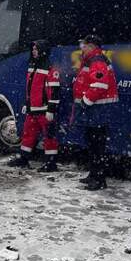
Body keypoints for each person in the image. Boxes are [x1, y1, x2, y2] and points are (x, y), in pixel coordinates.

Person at [72, 34, 119, 190]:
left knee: (97, 146)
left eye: (83, 45)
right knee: (93, 144)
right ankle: (94, 174)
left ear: (91, 46)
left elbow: (99, 85)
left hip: (98, 111)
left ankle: (99, 180)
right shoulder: (93, 59)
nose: (82, 48)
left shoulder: (97, 61)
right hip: (95, 111)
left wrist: (85, 102)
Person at [7, 39, 62, 171]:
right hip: (33, 109)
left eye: (36, 49)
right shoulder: (33, 65)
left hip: (44, 110)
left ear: (42, 51)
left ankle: (51, 163)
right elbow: (30, 88)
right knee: (28, 134)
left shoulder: (50, 68)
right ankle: (24, 159)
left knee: (49, 137)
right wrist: (28, 103)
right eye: (33, 49)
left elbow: (54, 91)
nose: (33, 51)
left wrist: (51, 109)